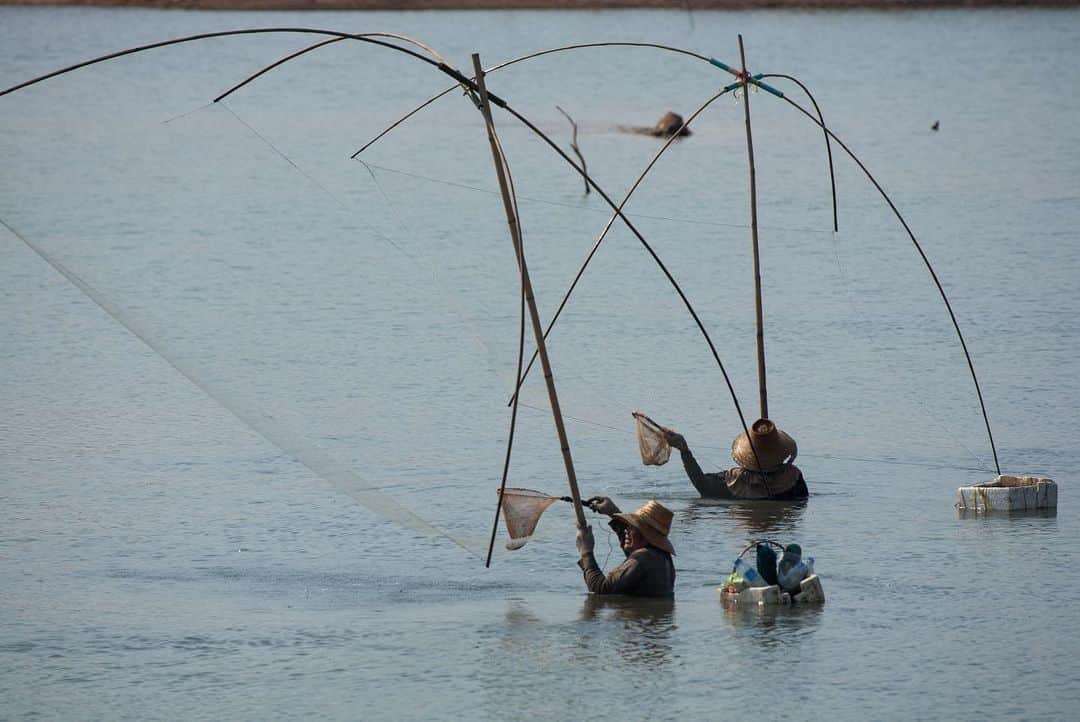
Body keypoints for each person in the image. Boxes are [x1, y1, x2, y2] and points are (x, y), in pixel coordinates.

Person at [664, 417, 808, 500]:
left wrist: (684, 450)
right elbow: (801, 502)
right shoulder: (793, 478)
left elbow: (703, 486)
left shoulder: (736, 480)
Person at [574, 498, 676, 597]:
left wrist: (586, 552)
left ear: (646, 534)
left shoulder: (641, 559)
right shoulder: (661, 556)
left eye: (632, 526)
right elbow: (633, 545)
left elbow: (600, 589)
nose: (626, 530)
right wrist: (613, 513)